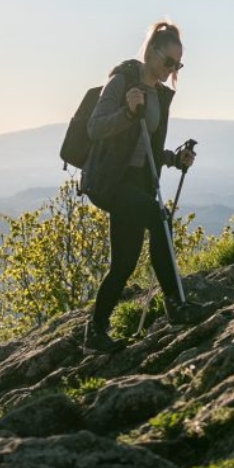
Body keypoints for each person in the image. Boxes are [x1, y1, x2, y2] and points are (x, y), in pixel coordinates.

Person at [80, 20, 204, 352]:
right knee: (157, 217)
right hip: (109, 181)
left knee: (124, 262)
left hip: (137, 180)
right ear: (151, 52)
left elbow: (145, 144)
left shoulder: (160, 95)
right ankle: (175, 304)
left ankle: (95, 334)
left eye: (178, 65)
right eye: (168, 62)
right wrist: (127, 111)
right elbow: (95, 128)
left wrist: (175, 159)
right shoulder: (122, 81)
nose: (172, 69)